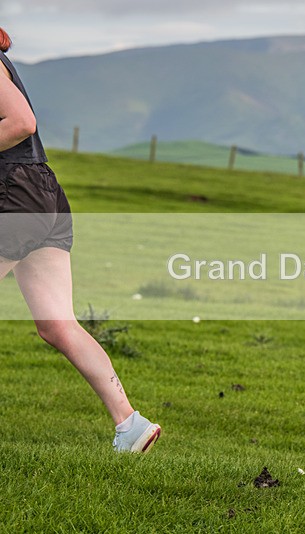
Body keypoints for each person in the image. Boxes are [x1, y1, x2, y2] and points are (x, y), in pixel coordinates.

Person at [0, 27, 160, 453]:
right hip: (40, 192)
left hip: (13, 194)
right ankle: (131, 424)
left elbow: (21, 122)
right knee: (57, 325)